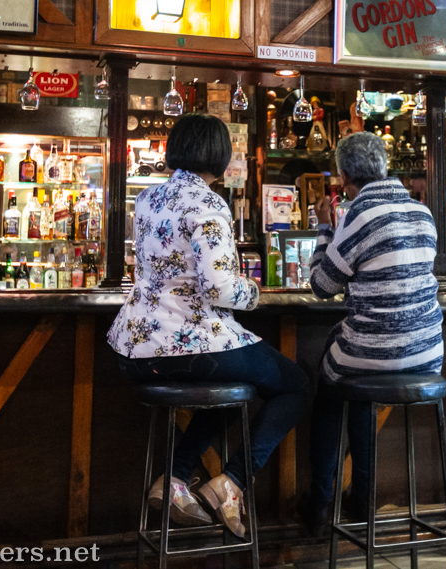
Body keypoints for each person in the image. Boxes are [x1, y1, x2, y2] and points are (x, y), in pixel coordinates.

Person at [108, 114, 309, 537]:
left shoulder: (147, 199)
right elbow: (219, 289)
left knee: (234, 384)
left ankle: (175, 479)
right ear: (221, 156)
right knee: (294, 384)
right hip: (191, 343)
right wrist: (253, 292)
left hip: (134, 349)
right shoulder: (208, 203)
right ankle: (231, 481)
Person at [303, 131, 443, 535]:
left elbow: (321, 285)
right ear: (384, 168)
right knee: (357, 377)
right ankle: (362, 499)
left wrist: (324, 227)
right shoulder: (423, 212)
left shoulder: (358, 217)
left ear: (344, 177)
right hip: (427, 356)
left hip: (371, 353)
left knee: (333, 385)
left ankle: (320, 501)